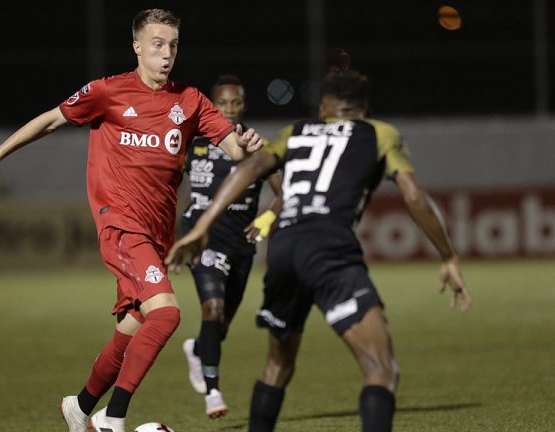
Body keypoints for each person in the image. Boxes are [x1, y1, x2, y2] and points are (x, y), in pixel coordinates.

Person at [0, 9, 263, 432]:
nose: (166, 54)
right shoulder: (107, 92)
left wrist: (247, 144)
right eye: (157, 44)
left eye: (173, 46)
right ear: (138, 47)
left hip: (158, 235)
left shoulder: (191, 101)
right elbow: (52, 119)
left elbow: (234, 151)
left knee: (133, 327)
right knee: (166, 316)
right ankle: (113, 420)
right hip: (121, 225)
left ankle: (81, 405)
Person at [165, 69, 472, 432]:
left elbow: (247, 170)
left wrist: (200, 227)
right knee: (381, 369)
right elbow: (415, 197)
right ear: (365, 108)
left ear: (324, 107)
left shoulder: (295, 132)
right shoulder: (380, 133)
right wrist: (448, 256)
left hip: (283, 250)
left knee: (277, 368)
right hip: (329, 250)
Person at [179, 74, 282, 419]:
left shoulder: (256, 144)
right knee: (213, 310)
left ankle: (197, 349)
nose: (230, 109)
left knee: (219, 328)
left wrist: (267, 218)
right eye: (222, 103)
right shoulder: (193, 142)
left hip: (241, 244)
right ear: (212, 105)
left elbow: (286, 193)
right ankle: (213, 393)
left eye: (235, 102)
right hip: (204, 236)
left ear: (244, 105)